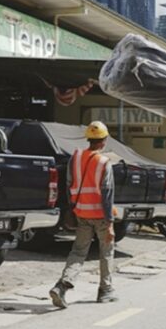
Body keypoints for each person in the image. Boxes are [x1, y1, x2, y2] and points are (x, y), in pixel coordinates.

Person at [49, 121, 117, 308]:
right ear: (103, 140)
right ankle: (105, 290)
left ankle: (62, 286)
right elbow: (107, 193)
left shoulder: (76, 158)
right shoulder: (104, 163)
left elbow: (69, 185)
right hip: (101, 216)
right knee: (106, 252)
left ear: (89, 139)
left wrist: (73, 208)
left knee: (78, 252)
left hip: (82, 213)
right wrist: (110, 222)